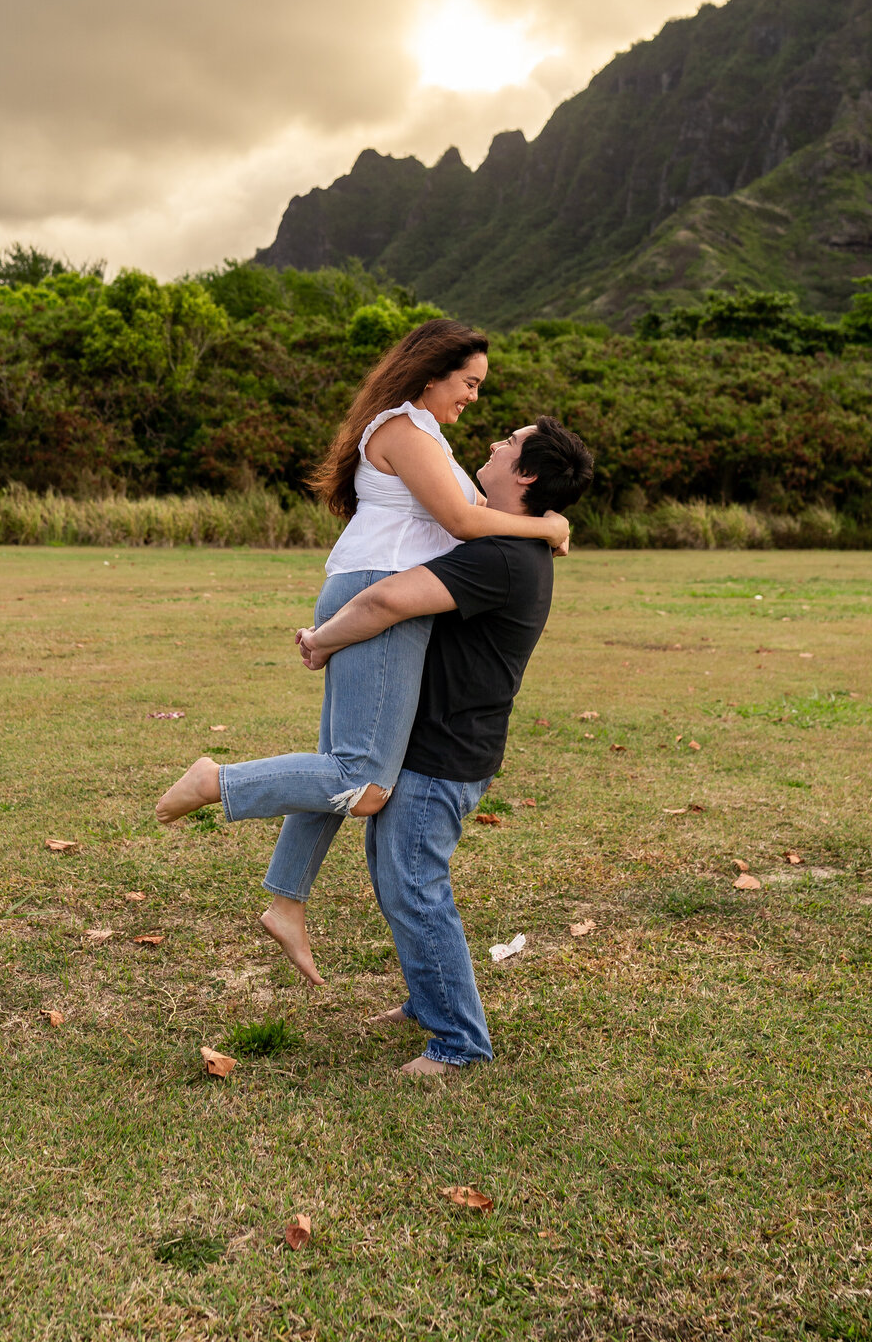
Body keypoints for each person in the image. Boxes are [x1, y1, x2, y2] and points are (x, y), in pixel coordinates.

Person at [154, 319, 570, 984]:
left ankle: (287, 900)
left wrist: (540, 526)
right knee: (364, 782)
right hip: (381, 598)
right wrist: (544, 523)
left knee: (340, 770)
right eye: (469, 383)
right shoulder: (405, 429)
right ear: (432, 372)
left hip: (378, 592)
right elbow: (463, 524)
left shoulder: (426, 436)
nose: (473, 399)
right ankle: (217, 782)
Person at [296, 416, 594, 1075]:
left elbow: (387, 601)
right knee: (395, 875)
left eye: (509, 443)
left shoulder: (502, 556)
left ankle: (459, 1042)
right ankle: (427, 998)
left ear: (526, 474)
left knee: (413, 884)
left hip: (446, 750)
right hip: (437, 742)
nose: (493, 444)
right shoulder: (512, 542)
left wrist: (322, 640)